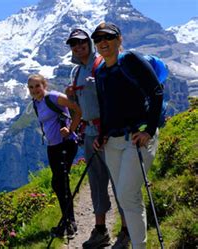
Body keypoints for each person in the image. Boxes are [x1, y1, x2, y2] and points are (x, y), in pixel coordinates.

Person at [92, 22, 163, 249]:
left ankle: (139, 246)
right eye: (98, 38)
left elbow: (156, 92)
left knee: (127, 193)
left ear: (119, 39)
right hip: (112, 142)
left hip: (137, 137)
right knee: (125, 197)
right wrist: (102, 134)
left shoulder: (131, 60)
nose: (103, 42)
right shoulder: (101, 71)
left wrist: (149, 131)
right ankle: (137, 243)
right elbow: (105, 107)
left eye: (108, 37)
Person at [65, 28, 129, 248]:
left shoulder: (102, 63)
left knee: (119, 181)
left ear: (89, 43)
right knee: (96, 183)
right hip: (89, 133)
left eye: (82, 42)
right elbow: (79, 107)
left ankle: (127, 229)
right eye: (73, 43)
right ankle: (100, 230)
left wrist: (105, 131)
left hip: (108, 133)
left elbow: (113, 100)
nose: (78, 46)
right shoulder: (75, 72)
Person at [27, 74, 81, 238]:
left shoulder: (54, 97)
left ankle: (69, 223)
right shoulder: (36, 103)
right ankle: (67, 221)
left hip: (66, 143)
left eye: (37, 86)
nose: (35, 90)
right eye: (31, 87)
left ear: (44, 85)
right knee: (58, 183)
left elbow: (78, 109)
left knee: (61, 182)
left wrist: (71, 129)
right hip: (53, 146)